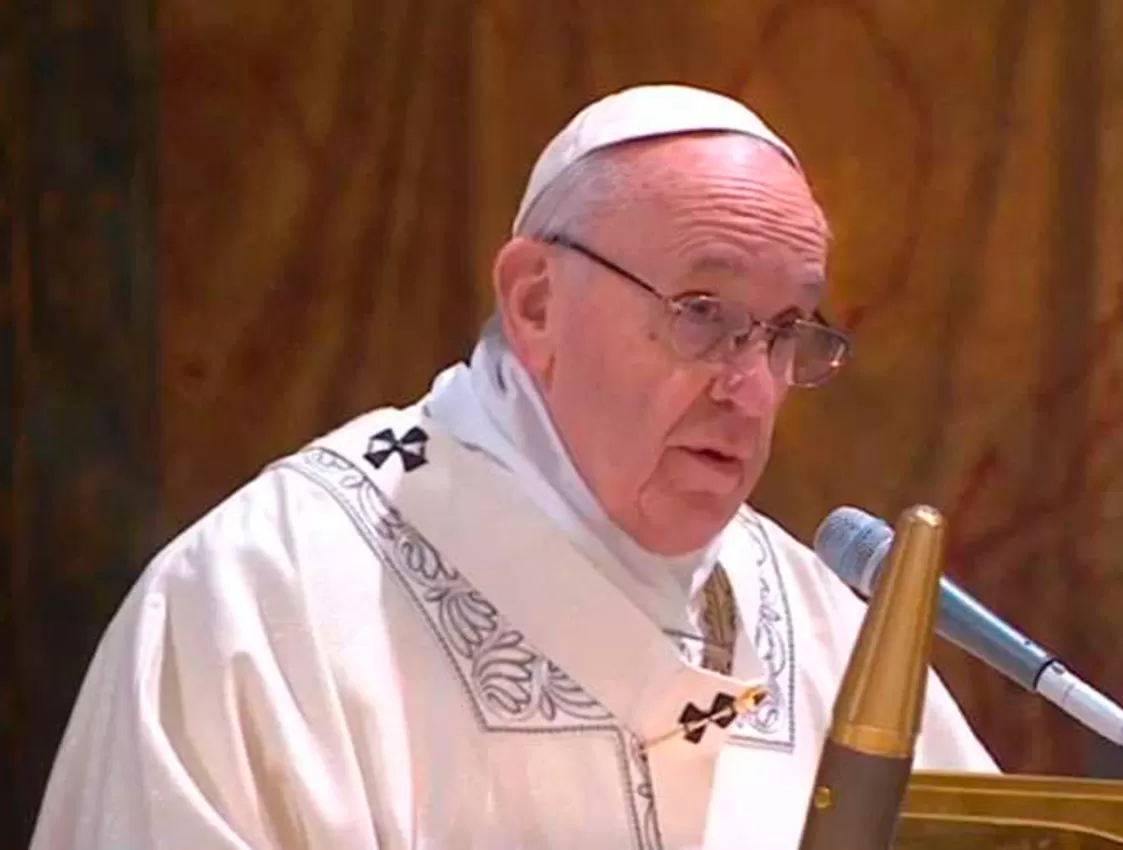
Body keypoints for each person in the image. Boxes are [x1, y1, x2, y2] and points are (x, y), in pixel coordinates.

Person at [30, 83, 998, 850]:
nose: (752, 387)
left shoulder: (822, 624)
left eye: (787, 333)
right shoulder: (261, 601)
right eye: (704, 311)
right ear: (536, 302)